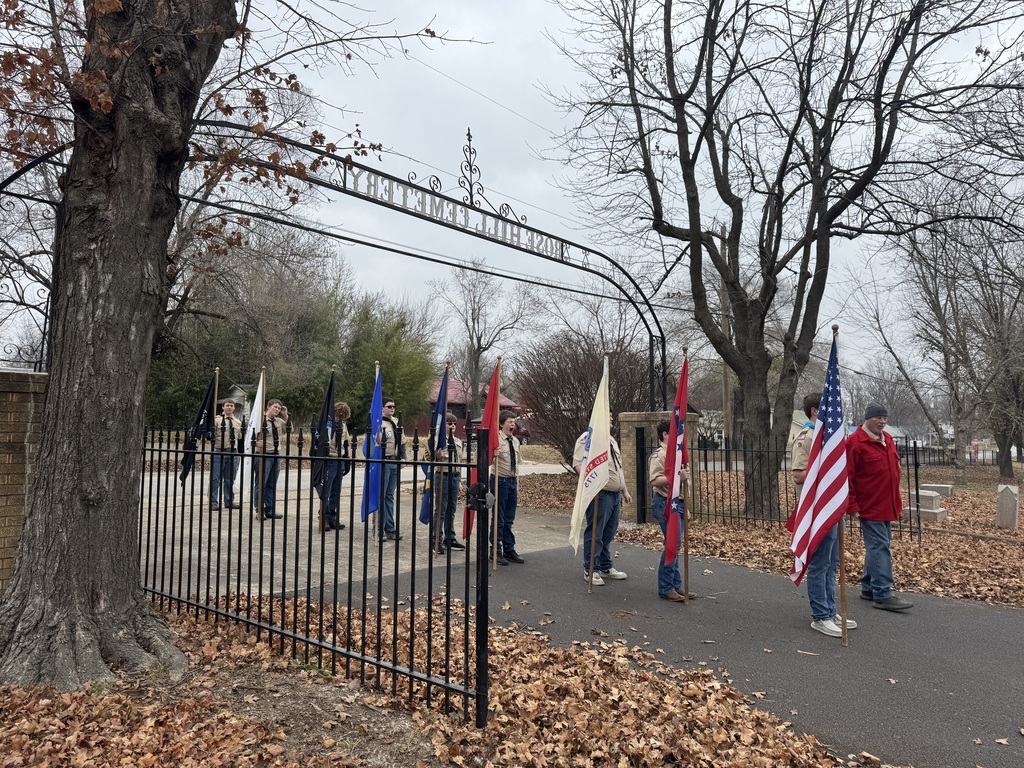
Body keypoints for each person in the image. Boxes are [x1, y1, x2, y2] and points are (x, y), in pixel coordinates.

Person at [791, 393, 858, 637]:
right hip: (816, 510)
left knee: (833, 562)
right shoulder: (806, 437)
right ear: (815, 411)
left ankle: (830, 610)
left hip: (832, 507)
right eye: (828, 409)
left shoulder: (829, 439)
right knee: (820, 564)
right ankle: (820, 615)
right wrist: (825, 470)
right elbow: (798, 474)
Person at [846, 402, 913, 611]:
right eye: (878, 417)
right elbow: (847, 477)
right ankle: (882, 592)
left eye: (884, 418)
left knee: (877, 546)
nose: (882, 421)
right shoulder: (854, 443)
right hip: (869, 506)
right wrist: (853, 505)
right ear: (868, 418)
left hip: (887, 504)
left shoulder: (889, 440)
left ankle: (868, 587)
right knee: (879, 547)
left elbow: (893, 472)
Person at [573, 413, 632, 585]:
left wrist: (625, 490)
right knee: (596, 532)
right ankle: (591, 569)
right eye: (608, 416)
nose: (611, 419)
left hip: (614, 494)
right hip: (600, 494)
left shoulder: (611, 440)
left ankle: (605, 566)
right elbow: (578, 464)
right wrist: (593, 484)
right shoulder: (587, 438)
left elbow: (618, 468)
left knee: (608, 532)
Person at [648, 420, 690, 601]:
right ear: (665, 434)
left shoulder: (678, 454)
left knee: (677, 544)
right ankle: (665, 587)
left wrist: (685, 507)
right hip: (664, 503)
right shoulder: (660, 455)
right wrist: (676, 477)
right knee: (672, 543)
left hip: (677, 503)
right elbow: (655, 481)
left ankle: (676, 585)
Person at [490, 411, 524, 565]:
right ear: (502, 424)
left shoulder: (515, 441)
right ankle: (495, 550)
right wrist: (492, 454)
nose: (512, 425)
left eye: (513, 422)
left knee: (509, 518)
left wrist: (517, 483)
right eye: (510, 422)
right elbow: (484, 460)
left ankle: (509, 549)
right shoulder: (495, 439)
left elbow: (517, 464)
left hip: (511, 481)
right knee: (499, 517)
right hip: (500, 481)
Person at [431, 412, 465, 554]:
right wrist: (439, 455)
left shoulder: (458, 441)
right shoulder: (438, 441)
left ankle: (449, 537)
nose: (452, 426)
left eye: (454, 424)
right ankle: (436, 540)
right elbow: (429, 457)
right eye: (449, 423)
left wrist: (460, 479)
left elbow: (459, 460)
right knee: (441, 509)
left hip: (455, 476)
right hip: (443, 475)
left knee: (452, 508)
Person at [253, 398, 286, 520]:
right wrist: (256, 443)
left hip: (276, 455)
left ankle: (270, 508)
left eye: (278, 408)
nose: (277, 409)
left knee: (272, 484)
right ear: (268, 407)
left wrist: (285, 415)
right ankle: (259, 509)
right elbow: (248, 435)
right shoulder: (260, 420)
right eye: (275, 407)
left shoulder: (279, 421)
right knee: (261, 483)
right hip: (263, 455)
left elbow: (288, 429)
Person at [210, 398, 242, 511]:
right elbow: (210, 435)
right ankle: (213, 502)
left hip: (233, 452)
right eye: (227, 405)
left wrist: (239, 454)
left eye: (232, 405)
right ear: (223, 407)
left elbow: (239, 439)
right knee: (215, 478)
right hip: (219, 451)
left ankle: (229, 501)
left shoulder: (237, 422)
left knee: (230, 479)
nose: (229, 407)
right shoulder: (217, 420)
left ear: (234, 408)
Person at [323, 401, 351, 531]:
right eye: (338, 415)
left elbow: (345, 443)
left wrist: (346, 460)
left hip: (339, 459)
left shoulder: (344, 427)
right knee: (326, 490)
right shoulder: (326, 425)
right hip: (329, 459)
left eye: (342, 416)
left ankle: (333, 516)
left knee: (336, 490)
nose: (339, 418)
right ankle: (324, 516)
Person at [380, 397, 402, 541]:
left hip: (395, 461)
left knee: (389, 496)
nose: (392, 409)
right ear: (382, 408)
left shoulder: (396, 422)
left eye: (393, 406)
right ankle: (378, 529)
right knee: (381, 495)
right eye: (389, 406)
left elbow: (403, 440)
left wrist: (403, 456)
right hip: (384, 461)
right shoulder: (378, 422)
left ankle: (390, 528)